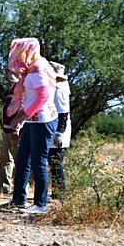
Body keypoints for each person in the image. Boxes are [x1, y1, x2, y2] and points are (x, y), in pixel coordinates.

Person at [7, 38, 58, 214]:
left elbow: (43, 96)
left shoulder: (38, 71)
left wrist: (22, 116)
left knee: (39, 161)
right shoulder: (32, 69)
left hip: (42, 120)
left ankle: (40, 204)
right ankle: (19, 199)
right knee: (22, 159)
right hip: (32, 120)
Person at [0, 70, 21, 194]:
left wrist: (18, 127)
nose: (8, 75)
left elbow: (24, 111)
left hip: (16, 131)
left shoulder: (22, 89)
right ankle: (4, 187)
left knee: (20, 160)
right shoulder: (11, 89)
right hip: (6, 130)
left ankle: (20, 190)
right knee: (5, 159)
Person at [48, 61, 71, 199]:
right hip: (53, 129)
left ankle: (60, 192)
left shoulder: (60, 89)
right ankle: (57, 192)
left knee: (56, 162)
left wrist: (59, 133)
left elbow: (63, 113)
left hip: (58, 131)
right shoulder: (55, 88)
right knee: (53, 162)